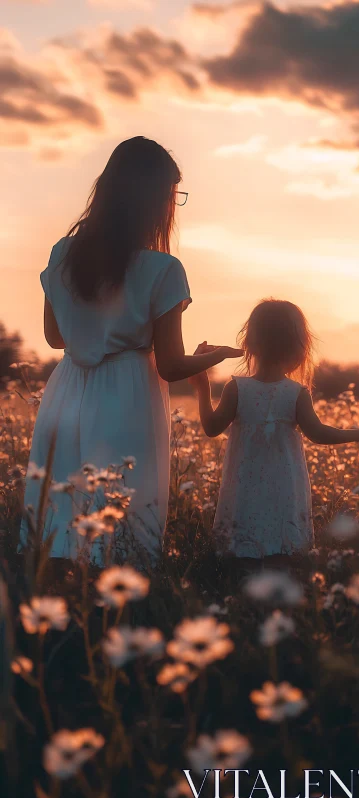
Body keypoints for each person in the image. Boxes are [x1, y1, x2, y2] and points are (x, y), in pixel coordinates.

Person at [21, 136, 241, 564]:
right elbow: (174, 365)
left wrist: (94, 333)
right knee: (119, 517)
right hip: (128, 395)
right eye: (172, 196)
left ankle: (60, 613)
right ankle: (117, 615)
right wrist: (216, 356)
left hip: (66, 390)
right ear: (154, 199)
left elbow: (54, 338)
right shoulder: (163, 269)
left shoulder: (63, 253)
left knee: (62, 513)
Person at [191, 299, 359, 559]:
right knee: (284, 551)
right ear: (299, 349)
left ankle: (240, 578)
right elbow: (319, 433)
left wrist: (202, 386)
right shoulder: (296, 393)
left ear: (249, 345)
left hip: (244, 486)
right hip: (285, 486)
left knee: (241, 551)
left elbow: (211, 427)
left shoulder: (237, 388)